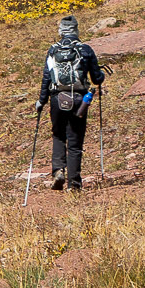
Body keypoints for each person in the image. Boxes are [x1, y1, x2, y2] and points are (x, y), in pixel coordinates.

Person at [33, 15, 106, 190]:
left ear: (60, 31)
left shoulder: (53, 50)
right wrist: (102, 75)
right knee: (75, 140)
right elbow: (97, 79)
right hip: (79, 99)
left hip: (57, 98)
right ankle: (74, 184)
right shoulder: (85, 49)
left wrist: (41, 101)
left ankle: (58, 170)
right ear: (76, 30)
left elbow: (46, 78)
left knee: (58, 134)